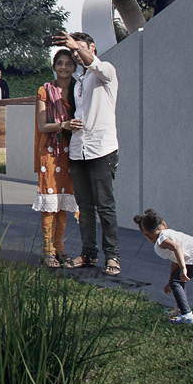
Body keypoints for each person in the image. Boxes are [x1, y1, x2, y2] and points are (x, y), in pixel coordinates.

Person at [57, 28, 122, 275]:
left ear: (91, 48)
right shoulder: (79, 81)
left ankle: (113, 257)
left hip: (102, 149)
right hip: (78, 149)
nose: (75, 54)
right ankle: (88, 254)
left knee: (105, 205)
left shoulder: (106, 71)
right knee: (84, 207)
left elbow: (94, 64)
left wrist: (76, 47)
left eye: (78, 49)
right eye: (72, 50)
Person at [35, 47, 80, 267]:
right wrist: (63, 125)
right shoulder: (45, 91)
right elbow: (43, 125)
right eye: (60, 63)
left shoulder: (78, 91)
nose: (64, 67)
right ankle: (48, 251)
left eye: (68, 63)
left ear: (74, 67)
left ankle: (60, 249)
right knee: (49, 203)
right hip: (50, 152)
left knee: (63, 203)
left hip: (71, 151)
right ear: (54, 67)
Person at [133, 207, 193, 324]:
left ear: (146, 235)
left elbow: (177, 248)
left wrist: (183, 269)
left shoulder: (162, 240)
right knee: (177, 281)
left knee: (177, 282)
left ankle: (187, 315)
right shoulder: (169, 233)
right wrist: (170, 281)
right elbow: (176, 260)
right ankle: (181, 309)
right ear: (164, 224)